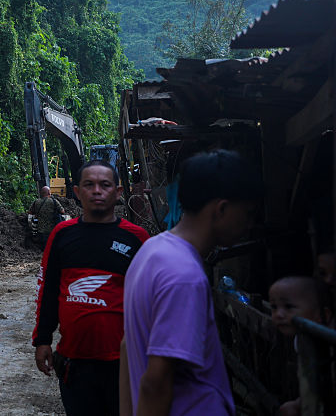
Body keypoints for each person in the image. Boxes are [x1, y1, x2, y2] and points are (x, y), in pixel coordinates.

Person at [121, 149, 264, 416]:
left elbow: (127, 346)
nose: (249, 224)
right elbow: (156, 383)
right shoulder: (184, 276)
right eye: (248, 213)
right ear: (221, 209)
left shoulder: (151, 251)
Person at [32, 159, 150, 416]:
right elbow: (49, 291)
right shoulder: (62, 235)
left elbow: (150, 302)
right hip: (75, 363)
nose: (97, 191)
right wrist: (42, 340)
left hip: (124, 365)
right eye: (89, 184)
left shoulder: (138, 239)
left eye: (105, 185)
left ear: (118, 192)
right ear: (76, 192)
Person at [268, 275, 332, 415]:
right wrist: (298, 403)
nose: (278, 314)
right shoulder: (301, 339)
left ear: (322, 315)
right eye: (274, 307)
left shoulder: (329, 346)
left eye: (288, 307)